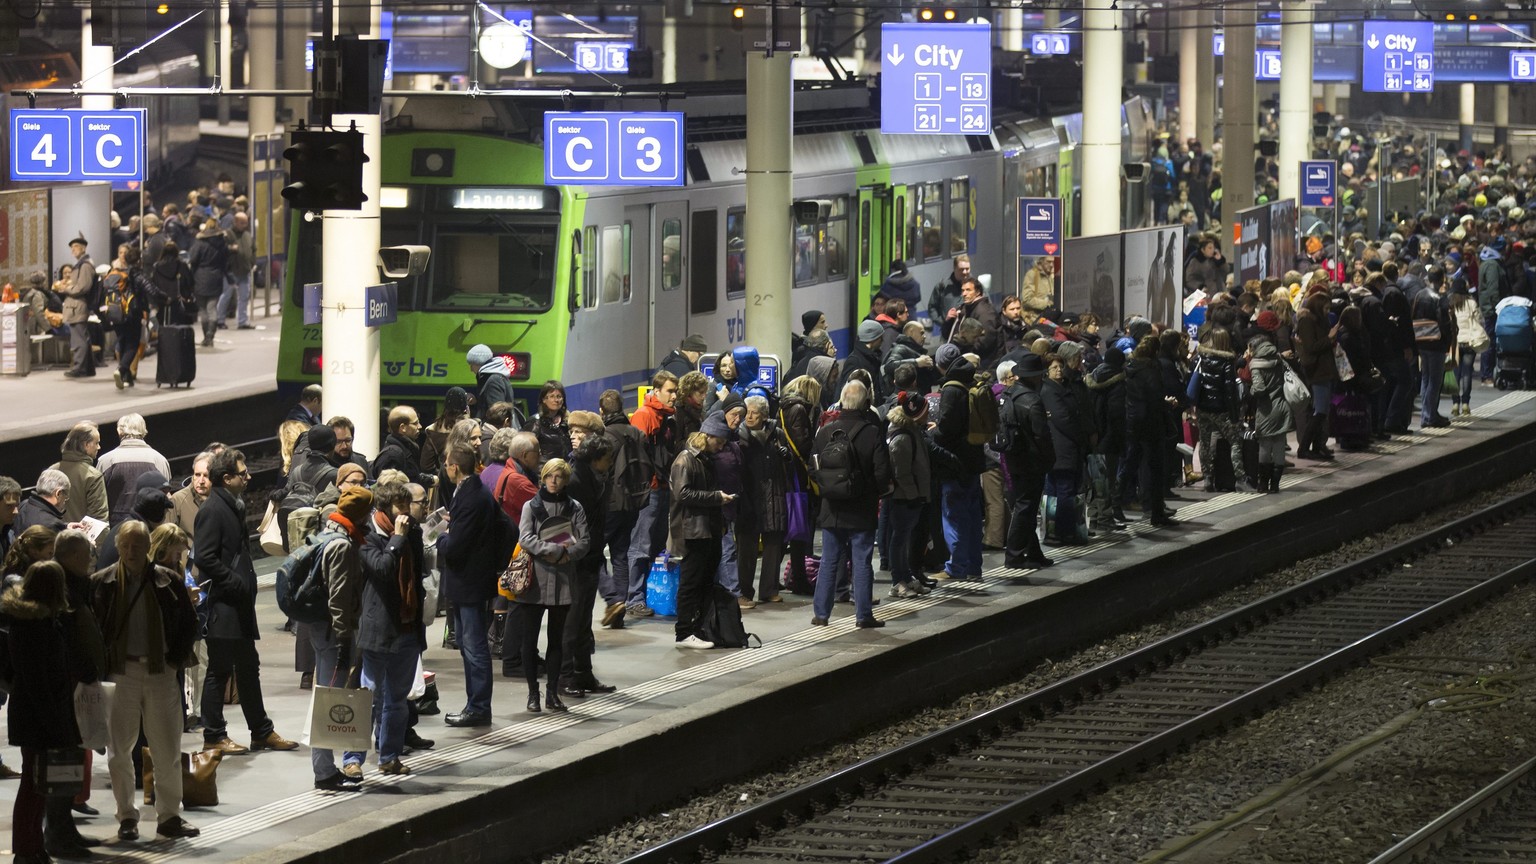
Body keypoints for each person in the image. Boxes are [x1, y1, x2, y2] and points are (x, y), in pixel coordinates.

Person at [91, 521, 200, 841]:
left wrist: (172, 662)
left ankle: (169, 815)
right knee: (119, 750)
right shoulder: (103, 582)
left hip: (160, 673)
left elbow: (188, 625)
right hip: (121, 674)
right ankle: (126, 815)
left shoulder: (168, 581)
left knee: (167, 747)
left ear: (147, 546)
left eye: (137, 545)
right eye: (125, 545)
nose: (130, 551)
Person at [196, 448, 299, 754]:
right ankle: (214, 735)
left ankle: (261, 731)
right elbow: (204, 557)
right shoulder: (213, 510)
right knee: (219, 670)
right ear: (227, 479)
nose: (248, 477)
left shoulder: (232, 505)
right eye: (243, 473)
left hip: (237, 604)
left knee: (248, 666)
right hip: (224, 604)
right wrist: (234, 581)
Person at [3, 560, 100, 864]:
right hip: (38, 718)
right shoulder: (34, 626)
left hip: (36, 715)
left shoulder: (35, 621)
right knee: (33, 787)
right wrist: (54, 724)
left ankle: (33, 846)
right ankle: (26, 849)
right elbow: (37, 680)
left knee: (37, 786)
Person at [435, 444, 508, 727]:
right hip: (473, 580)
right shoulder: (474, 493)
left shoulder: (470, 497)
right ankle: (475, 704)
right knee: (468, 644)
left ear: (454, 467)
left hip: (470, 582)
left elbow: (454, 547)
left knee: (475, 647)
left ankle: (478, 707)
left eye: (447, 463)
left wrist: (442, 536)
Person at [358, 481, 427, 776]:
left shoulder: (413, 533)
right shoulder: (367, 536)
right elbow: (383, 569)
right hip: (378, 629)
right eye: (401, 506)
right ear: (385, 508)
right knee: (368, 695)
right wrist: (397, 539)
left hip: (407, 627)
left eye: (407, 505)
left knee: (398, 700)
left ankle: (389, 756)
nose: (407, 513)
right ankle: (352, 760)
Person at [809, 379, 891, 628]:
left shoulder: (825, 431)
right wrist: (869, 491)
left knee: (829, 560)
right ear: (866, 403)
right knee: (862, 561)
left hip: (832, 508)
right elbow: (882, 473)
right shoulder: (871, 432)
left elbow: (813, 469)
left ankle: (821, 614)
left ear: (842, 400)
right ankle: (863, 615)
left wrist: (829, 489)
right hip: (862, 508)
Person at [307, 488, 372, 790]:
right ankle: (323, 772)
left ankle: (326, 768)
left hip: (322, 628)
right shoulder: (343, 546)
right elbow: (338, 597)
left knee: (325, 695)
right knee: (327, 700)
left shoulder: (327, 532)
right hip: (334, 632)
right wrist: (345, 639)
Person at [515, 459, 587, 709]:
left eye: (559, 477)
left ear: (565, 480)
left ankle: (551, 693)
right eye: (549, 476)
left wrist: (567, 553)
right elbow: (525, 538)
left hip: (563, 581)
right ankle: (532, 694)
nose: (554, 481)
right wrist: (558, 551)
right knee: (529, 641)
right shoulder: (530, 506)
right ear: (543, 478)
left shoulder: (575, 507)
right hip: (535, 579)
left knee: (557, 641)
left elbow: (584, 541)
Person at [668, 416, 734, 647]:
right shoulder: (685, 460)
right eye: (720, 441)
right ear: (708, 436)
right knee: (691, 582)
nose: (722, 446)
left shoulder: (705, 459)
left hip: (708, 529)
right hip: (692, 531)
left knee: (704, 581)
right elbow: (682, 494)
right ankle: (684, 632)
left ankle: (699, 628)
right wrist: (715, 498)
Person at [561, 434, 617, 697]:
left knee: (583, 623)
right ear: (595, 459)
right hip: (577, 561)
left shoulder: (594, 478)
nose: (610, 464)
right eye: (607, 459)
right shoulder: (574, 482)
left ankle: (584, 675)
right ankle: (566, 677)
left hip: (591, 557)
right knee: (572, 623)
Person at [626, 371, 680, 617]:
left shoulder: (668, 417)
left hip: (662, 488)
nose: (674, 396)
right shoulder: (644, 415)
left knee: (656, 544)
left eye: (675, 391)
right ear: (656, 391)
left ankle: (643, 595)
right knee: (640, 545)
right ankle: (633, 598)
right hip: (650, 490)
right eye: (670, 391)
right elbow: (636, 456)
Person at [932, 343, 985, 580]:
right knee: (973, 517)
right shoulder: (971, 382)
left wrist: (932, 432)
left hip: (956, 463)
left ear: (940, 365)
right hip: (975, 460)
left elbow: (947, 429)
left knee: (954, 516)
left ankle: (957, 567)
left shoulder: (952, 389)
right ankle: (974, 566)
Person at [998, 357, 1054, 567]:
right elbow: (1041, 435)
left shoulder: (1008, 394)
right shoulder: (1032, 400)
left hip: (1012, 456)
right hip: (1032, 460)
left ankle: (1033, 551)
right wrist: (1050, 459)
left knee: (1025, 505)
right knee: (1026, 507)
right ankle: (1014, 556)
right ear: (1037, 376)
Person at [1124, 335, 1178, 527]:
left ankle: (1116, 505)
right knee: (1155, 469)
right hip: (1152, 425)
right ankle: (1156, 512)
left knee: (1133, 466)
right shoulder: (1151, 369)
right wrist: (1167, 404)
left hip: (1134, 423)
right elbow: (1154, 398)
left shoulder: (1130, 368)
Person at [884, 392, 932, 596]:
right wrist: (914, 495)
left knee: (903, 538)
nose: (929, 413)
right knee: (899, 539)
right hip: (904, 497)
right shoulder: (903, 437)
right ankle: (898, 581)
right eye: (926, 411)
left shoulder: (911, 430)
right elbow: (901, 473)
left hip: (911, 495)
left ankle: (905, 576)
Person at [1246, 311, 1294, 492]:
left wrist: (1249, 390)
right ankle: (1275, 485)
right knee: (1279, 446)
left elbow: (1258, 389)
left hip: (1266, 409)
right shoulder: (1278, 358)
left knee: (1265, 447)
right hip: (1282, 406)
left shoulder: (1256, 364)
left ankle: (1263, 483)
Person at [98, 414, 172, 524]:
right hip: (151, 526)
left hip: (115, 527)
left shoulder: (106, 461)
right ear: (143, 430)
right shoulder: (159, 459)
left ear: (119, 431)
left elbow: (98, 498)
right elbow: (166, 495)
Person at [1295, 290, 1339, 458]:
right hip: (1317, 371)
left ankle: (1317, 446)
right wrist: (1329, 338)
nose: (1328, 311)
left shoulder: (1322, 321)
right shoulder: (1307, 321)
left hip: (1325, 369)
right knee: (1320, 410)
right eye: (1326, 308)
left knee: (1322, 410)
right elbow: (1311, 347)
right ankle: (1304, 448)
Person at [52, 421, 108, 524]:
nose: (99, 447)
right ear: (86, 445)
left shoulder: (50, 472)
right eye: (97, 443)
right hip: (82, 539)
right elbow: (98, 520)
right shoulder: (93, 476)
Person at [1449, 278, 1487, 416]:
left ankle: (1455, 404)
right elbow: (1478, 320)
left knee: (1455, 374)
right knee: (1467, 373)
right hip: (1469, 342)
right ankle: (1465, 404)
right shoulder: (1471, 303)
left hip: (1455, 343)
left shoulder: (1451, 303)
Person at [188, 219, 229, 347]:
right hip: (216, 277)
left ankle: (206, 336)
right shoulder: (222, 243)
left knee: (202, 309)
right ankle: (211, 334)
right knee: (212, 308)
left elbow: (193, 259)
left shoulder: (200, 243)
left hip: (200, 277)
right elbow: (226, 262)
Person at [61, 235, 97, 378]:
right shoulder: (81, 264)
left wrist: (66, 289)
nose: (73, 250)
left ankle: (79, 368)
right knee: (82, 337)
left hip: (78, 306)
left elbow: (83, 287)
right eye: (72, 248)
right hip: (76, 306)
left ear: (83, 248)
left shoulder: (85, 265)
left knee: (78, 339)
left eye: (75, 247)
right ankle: (87, 368)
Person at [372, 406, 435, 489]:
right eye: (415, 423)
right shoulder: (393, 454)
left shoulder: (406, 449)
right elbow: (389, 491)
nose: (419, 426)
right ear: (403, 428)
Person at [219, 212, 254, 330]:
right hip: (231, 271)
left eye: (246, 223)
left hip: (245, 270)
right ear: (235, 222)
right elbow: (221, 250)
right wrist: (230, 249)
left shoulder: (247, 235)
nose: (244, 225)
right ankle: (219, 320)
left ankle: (243, 321)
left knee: (244, 297)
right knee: (226, 296)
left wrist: (252, 262)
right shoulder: (227, 234)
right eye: (242, 223)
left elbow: (253, 249)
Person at [842, 320, 888, 407]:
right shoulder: (855, 361)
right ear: (873, 338)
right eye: (881, 337)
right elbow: (848, 393)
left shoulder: (873, 357)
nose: (883, 340)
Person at [466, 344, 515, 422]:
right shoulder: (494, 377)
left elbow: (497, 414)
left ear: (478, 362)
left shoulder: (493, 381)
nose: (471, 369)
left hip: (494, 432)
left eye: (471, 365)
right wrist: (476, 402)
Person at [927, 254, 971, 332]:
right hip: (948, 334)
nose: (965, 272)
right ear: (954, 268)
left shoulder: (976, 286)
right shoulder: (942, 286)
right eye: (961, 269)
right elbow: (932, 307)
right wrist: (943, 322)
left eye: (967, 269)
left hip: (969, 334)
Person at [532, 380, 572, 464]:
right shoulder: (535, 421)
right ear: (543, 399)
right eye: (552, 396)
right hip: (544, 471)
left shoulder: (567, 423)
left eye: (559, 396)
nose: (556, 400)